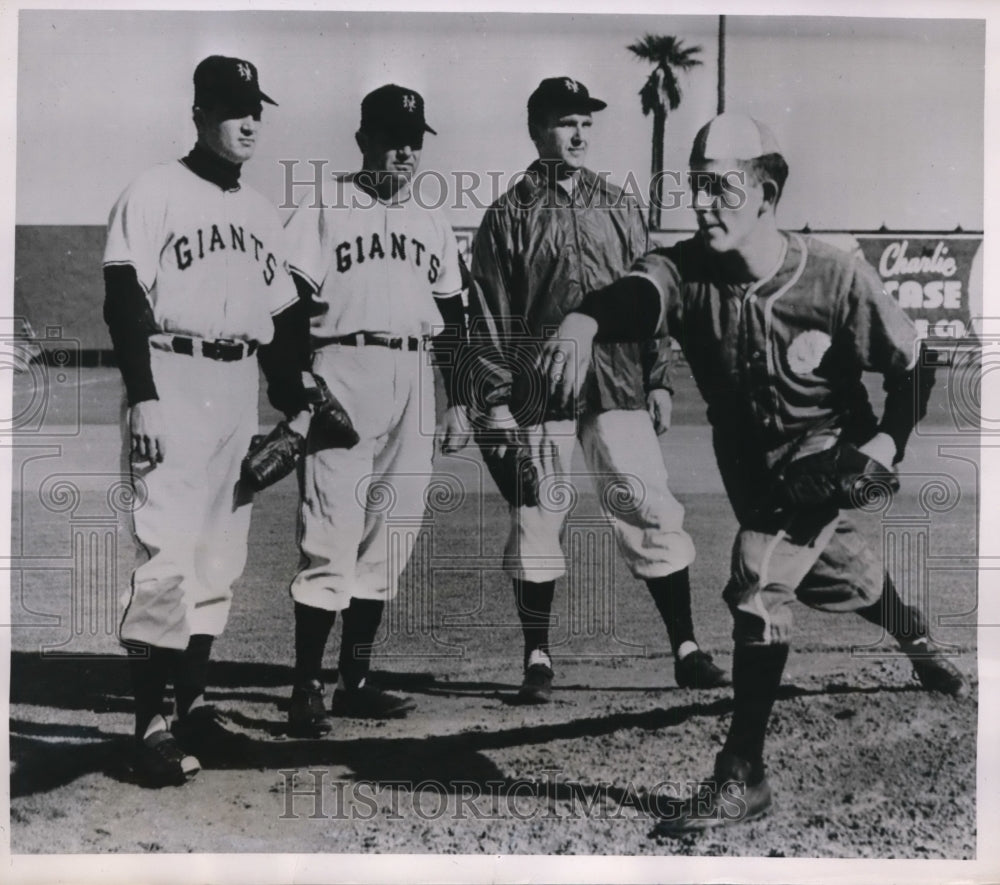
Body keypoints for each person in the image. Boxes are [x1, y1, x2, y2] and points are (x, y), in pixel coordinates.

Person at [540, 112, 970, 831]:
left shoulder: (833, 277)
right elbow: (639, 295)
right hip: (753, 475)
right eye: (695, 185)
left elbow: (913, 365)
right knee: (848, 574)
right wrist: (583, 319)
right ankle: (915, 634)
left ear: (766, 191)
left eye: (721, 187)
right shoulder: (688, 271)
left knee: (759, 578)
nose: (702, 202)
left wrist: (888, 448)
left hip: (826, 456)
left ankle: (743, 774)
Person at [470, 77, 728, 704]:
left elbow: (649, 301)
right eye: (565, 121)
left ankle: (686, 648)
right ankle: (537, 655)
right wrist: (499, 399)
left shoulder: (619, 204)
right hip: (540, 389)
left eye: (586, 121)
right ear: (536, 130)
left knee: (650, 506)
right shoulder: (507, 214)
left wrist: (659, 379)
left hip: (617, 384)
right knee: (536, 515)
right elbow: (489, 315)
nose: (579, 132)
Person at [103, 56, 303, 786]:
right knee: (166, 557)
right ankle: (146, 727)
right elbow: (124, 299)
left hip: (236, 383)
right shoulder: (154, 191)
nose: (249, 120)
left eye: (256, 107)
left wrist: (297, 399)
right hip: (173, 376)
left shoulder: (259, 212)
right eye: (231, 107)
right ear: (197, 113)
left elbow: (280, 322)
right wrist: (145, 394)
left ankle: (192, 709)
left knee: (219, 557)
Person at [281, 84, 469, 735]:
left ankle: (353, 680)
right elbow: (287, 302)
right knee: (331, 527)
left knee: (391, 534)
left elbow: (453, 317)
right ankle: (305, 686)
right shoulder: (324, 205)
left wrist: (459, 401)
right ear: (363, 138)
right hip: (344, 368)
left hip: (414, 375)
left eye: (415, 140)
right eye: (393, 137)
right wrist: (296, 381)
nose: (405, 151)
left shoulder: (432, 220)